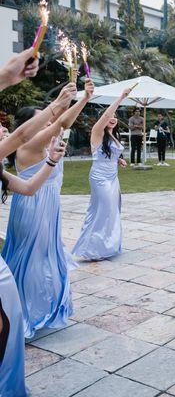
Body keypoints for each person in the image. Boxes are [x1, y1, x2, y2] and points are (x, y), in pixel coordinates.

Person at [0, 51, 72, 397]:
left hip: (40, 203)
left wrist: (53, 160)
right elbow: (20, 138)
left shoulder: (0, 168)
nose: (4, 132)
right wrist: (59, 106)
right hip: (29, 215)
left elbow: (28, 187)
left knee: (9, 324)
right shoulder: (21, 145)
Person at [2, 79, 94, 338]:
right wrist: (68, 101)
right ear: (28, 126)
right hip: (32, 206)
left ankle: (41, 306)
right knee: (31, 260)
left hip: (48, 205)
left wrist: (84, 99)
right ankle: (25, 311)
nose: (47, 123)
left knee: (45, 257)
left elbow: (64, 123)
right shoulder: (27, 145)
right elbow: (61, 122)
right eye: (40, 120)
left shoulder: (47, 144)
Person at [73, 89, 132, 261]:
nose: (113, 118)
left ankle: (108, 245)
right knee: (102, 211)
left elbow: (109, 154)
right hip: (100, 178)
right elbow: (105, 118)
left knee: (113, 210)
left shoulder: (113, 135)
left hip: (113, 178)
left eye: (115, 115)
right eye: (110, 115)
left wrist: (118, 160)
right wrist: (121, 97)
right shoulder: (97, 132)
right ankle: (92, 249)